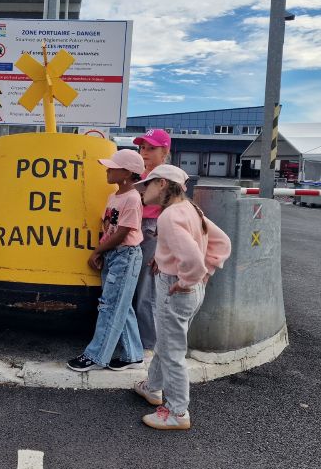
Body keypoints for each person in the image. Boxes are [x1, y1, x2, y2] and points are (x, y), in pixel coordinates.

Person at [133, 164, 231, 430]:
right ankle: (153, 388)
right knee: (166, 342)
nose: (143, 190)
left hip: (175, 288)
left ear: (163, 184)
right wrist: (204, 273)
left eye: (147, 184)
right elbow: (222, 242)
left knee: (172, 350)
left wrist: (189, 278)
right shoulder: (192, 209)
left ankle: (178, 411)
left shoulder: (169, 217)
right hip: (191, 290)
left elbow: (191, 259)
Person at [67, 150, 146, 372]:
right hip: (114, 254)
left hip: (125, 255)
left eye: (113, 167)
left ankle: (96, 356)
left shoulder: (131, 198)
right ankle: (133, 355)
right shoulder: (115, 196)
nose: (107, 170)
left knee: (110, 307)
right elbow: (107, 226)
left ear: (127, 173)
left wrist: (97, 251)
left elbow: (122, 232)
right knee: (122, 305)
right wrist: (104, 251)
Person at [132, 129, 172, 363]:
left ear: (165, 151)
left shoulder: (166, 176)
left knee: (147, 288)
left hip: (153, 230)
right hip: (139, 228)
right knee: (137, 286)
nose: (144, 152)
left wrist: (162, 248)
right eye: (142, 148)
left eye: (151, 148)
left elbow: (172, 210)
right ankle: (138, 337)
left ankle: (149, 342)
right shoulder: (142, 173)